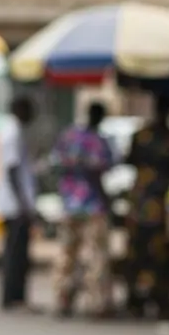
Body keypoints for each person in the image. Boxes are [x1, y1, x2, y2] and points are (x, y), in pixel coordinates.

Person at [123, 94, 169, 320]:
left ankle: (139, 299)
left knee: (141, 252)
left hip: (143, 201)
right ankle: (152, 299)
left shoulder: (142, 136)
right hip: (156, 202)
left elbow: (128, 160)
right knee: (153, 253)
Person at [51, 102, 115, 317]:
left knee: (67, 253)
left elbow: (56, 164)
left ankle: (63, 297)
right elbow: (103, 170)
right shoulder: (99, 142)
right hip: (93, 204)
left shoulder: (68, 137)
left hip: (69, 203)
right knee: (96, 255)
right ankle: (95, 303)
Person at [0, 94, 38, 311]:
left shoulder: (12, 130)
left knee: (17, 252)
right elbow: (11, 169)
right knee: (15, 254)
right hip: (14, 204)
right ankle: (13, 297)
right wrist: (22, 203)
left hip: (15, 202)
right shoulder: (11, 133)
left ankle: (14, 296)